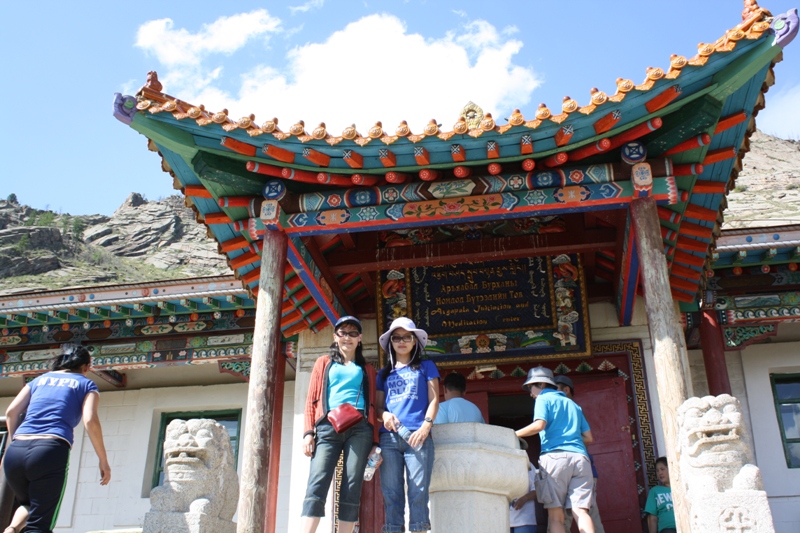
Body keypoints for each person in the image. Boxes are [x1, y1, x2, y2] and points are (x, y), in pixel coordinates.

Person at [3, 344, 110, 533]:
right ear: (86, 367)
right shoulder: (86, 384)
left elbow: (11, 412)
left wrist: (16, 442)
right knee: (41, 524)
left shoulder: (39, 380)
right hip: (49, 449)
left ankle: (11, 529)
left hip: (16, 449)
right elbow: (90, 420)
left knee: (29, 504)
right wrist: (103, 460)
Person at [301, 316, 379, 533]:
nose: (348, 337)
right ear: (335, 337)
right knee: (318, 480)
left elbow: (372, 404)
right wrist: (308, 433)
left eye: (353, 333)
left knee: (352, 484)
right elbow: (312, 398)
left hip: (360, 428)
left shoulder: (367, 369)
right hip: (327, 427)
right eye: (343, 333)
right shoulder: (323, 363)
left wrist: (375, 442)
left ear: (360, 338)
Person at [376, 317, 440, 533]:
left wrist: (425, 427)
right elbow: (377, 408)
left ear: (415, 341)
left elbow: (434, 400)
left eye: (407, 337)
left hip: (418, 437)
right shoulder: (383, 374)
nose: (401, 341)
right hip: (389, 438)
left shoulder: (427, 366)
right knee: (391, 492)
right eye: (396, 337)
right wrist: (384, 414)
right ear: (390, 342)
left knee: (418, 492)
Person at [515, 366, 594, 533]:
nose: (531, 393)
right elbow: (588, 438)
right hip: (580, 458)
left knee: (556, 516)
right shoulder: (573, 405)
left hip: (554, 458)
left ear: (542, 385)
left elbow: (539, 425)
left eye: (531, 387)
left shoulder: (543, 399)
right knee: (581, 512)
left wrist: (513, 434)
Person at [552, 376, 605, 533]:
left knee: (562, 516)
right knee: (585, 514)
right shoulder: (572, 409)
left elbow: (588, 438)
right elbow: (587, 438)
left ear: (566, 390)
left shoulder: (569, 410)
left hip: (569, 467)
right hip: (581, 467)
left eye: (554, 389)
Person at [645, 457, 676, 533]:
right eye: (657, 471)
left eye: (662, 469)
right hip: (667, 529)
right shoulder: (655, 491)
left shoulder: (681, 488)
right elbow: (653, 518)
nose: (660, 473)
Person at [510, 461, 539, 533]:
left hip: (524, 520)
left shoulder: (527, 465)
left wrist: (525, 498)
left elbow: (537, 490)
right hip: (502, 520)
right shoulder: (499, 462)